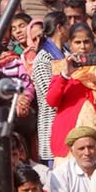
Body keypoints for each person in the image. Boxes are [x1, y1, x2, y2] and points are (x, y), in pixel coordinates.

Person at [46, 22, 96, 160]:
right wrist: (65, 75)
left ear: (92, 44)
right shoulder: (61, 67)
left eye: (86, 42)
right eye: (77, 42)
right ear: (70, 44)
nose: (82, 47)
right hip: (68, 133)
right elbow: (51, 101)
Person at [32, 10, 69, 164]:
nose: (70, 29)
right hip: (52, 126)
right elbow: (49, 98)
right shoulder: (43, 58)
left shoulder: (67, 53)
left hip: (69, 123)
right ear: (60, 28)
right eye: (68, 25)